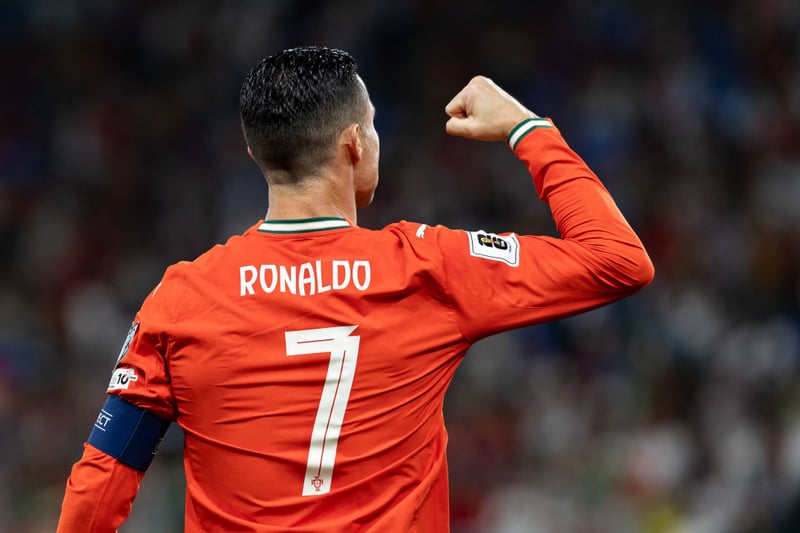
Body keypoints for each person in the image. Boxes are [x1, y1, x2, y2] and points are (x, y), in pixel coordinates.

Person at [57, 46, 654, 532]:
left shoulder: (181, 299)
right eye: (372, 125)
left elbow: (101, 482)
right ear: (354, 143)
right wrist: (528, 128)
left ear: (254, 150)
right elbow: (618, 259)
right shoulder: (426, 267)